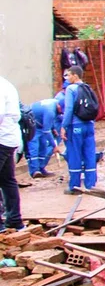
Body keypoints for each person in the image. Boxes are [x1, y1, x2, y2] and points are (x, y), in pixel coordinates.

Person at [61, 66, 97, 194]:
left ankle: (75, 186)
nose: (67, 78)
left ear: (75, 76)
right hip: (89, 125)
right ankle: (91, 185)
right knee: (90, 154)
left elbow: (69, 109)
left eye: (69, 75)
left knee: (75, 154)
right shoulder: (88, 87)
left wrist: (64, 127)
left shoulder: (71, 89)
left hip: (76, 126)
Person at [0, 75, 24, 230]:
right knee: (7, 180)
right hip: (10, 138)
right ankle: (15, 220)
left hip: (1, 139)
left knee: (7, 180)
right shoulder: (6, 84)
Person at [26, 97, 62, 178]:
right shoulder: (50, 110)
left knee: (43, 146)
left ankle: (41, 168)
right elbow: (46, 131)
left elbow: (49, 120)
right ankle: (34, 171)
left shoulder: (55, 105)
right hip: (32, 124)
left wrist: (53, 128)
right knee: (34, 148)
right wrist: (54, 146)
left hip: (40, 124)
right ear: (59, 106)